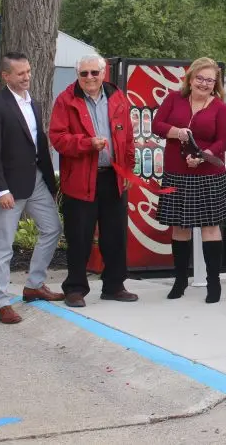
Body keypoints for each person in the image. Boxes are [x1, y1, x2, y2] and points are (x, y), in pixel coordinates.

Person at [0, 52, 64, 325]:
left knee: (53, 228)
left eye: (28, 71)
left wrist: (50, 183)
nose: (27, 76)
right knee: (3, 245)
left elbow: (39, 147)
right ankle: (2, 302)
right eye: (20, 73)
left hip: (37, 181)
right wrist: (1, 190)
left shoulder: (35, 104)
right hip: (10, 188)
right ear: (6, 76)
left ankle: (34, 285)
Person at [49, 55, 138, 307]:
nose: (89, 78)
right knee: (79, 236)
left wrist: (129, 170)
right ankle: (75, 288)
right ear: (78, 75)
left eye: (94, 73)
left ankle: (114, 285)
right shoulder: (66, 100)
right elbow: (58, 138)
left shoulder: (118, 98)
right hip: (79, 179)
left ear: (103, 73)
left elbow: (128, 138)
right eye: (84, 73)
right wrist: (87, 144)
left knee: (115, 234)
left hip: (113, 176)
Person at [152, 57, 226, 304]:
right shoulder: (173, 99)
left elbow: (225, 138)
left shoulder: (220, 107)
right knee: (180, 227)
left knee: (211, 228)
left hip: (208, 174)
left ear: (216, 84)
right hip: (177, 173)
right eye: (200, 78)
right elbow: (157, 125)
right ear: (190, 78)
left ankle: (214, 283)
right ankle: (180, 280)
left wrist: (205, 155)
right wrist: (177, 132)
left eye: (210, 80)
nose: (204, 83)